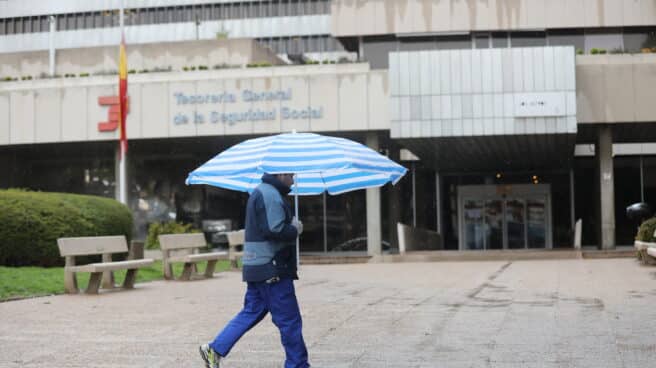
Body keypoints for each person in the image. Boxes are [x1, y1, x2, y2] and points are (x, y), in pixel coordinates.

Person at [199, 172, 310, 368]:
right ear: (281, 173)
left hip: (258, 267)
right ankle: (298, 365)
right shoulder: (270, 194)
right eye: (291, 175)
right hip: (272, 268)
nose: (293, 179)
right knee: (289, 321)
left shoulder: (263, 192)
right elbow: (275, 230)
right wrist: (295, 229)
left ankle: (214, 349)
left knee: (251, 311)